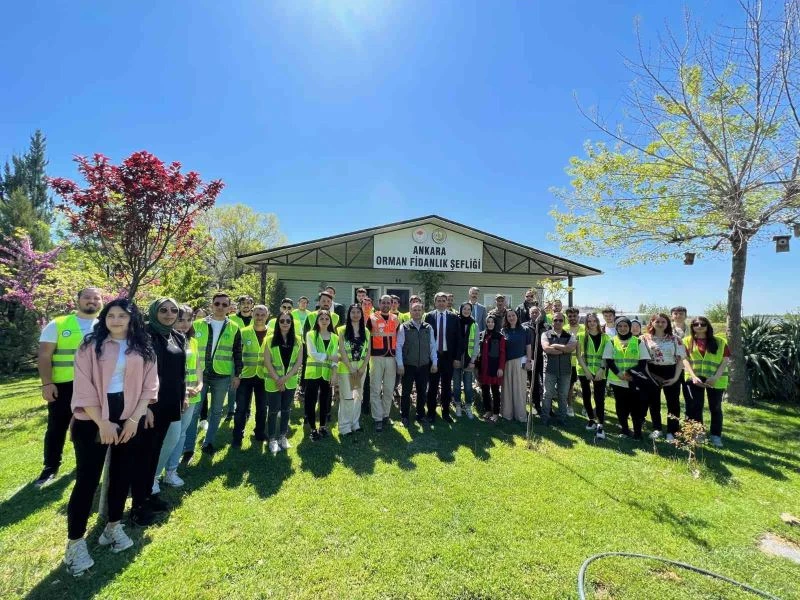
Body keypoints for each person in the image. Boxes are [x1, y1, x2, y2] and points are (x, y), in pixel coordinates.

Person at [64, 299, 158, 576]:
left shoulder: (143, 348)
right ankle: (75, 543)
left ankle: (113, 527)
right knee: (87, 480)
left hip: (129, 417)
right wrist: (102, 422)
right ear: (104, 318)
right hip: (92, 418)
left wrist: (133, 419)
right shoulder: (89, 346)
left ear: (132, 320)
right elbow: (83, 386)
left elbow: (149, 387)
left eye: (122, 316)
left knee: (122, 475)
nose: (116, 320)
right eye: (111, 315)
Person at [35, 287, 103, 488]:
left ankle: (84, 464)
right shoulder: (58, 323)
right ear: (78, 300)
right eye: (87, 297)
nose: (92, 301)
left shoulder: (104, 325)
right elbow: (44, 355)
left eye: (96, 298)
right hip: (63, 386)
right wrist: (47, 383)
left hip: (94, 387)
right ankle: (50, 467)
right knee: (57, 427)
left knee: (90, 427)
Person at [143, 298, 185, 513]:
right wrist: (145, 405)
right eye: (163, 310)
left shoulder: (177, 336)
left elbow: (180, 372)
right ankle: (145, 494)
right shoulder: (144, 335)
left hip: (173, 401)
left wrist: (183, 396)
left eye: (173, 310)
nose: (169, 314)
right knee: (150, 448)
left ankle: (151, 483)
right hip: (151, 404)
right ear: (154, 311)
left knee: (171, 439)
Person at [191, 292, 243, 455]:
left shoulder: (234, 327)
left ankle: (208, 443)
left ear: (229, 308)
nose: (220, 307)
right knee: (194, 412)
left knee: (216, 411)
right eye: (217, 304)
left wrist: (237, 375)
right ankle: (188, 447)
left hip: (221, 375)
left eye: (224, 305)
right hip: (200, 375)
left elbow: (237, 352)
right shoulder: (197, 324)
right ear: (211, 305)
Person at [682, 316, 730, 448]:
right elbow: (684, 359)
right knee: (695, 406)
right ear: (692, 327)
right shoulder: (686, 341)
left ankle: (715, 435)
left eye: (702, 324)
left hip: (715, 379)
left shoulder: (720, 342)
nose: (699, 326)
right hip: (694, 378)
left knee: (715, 408)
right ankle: (698, 433)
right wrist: (693, 376)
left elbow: (725, 360)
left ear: (708, 326)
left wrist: (715, 377)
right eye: (695, 324)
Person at [641, 313, 686, 442]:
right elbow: (643, 360)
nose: (660, 324)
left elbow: (680, 360)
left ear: (667, 323)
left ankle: (672, 431)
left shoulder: (675, 339)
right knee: (653, 402)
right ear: (652, 323)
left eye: (663, 322)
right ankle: (657, 428)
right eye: (657, 321)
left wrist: (676, 378)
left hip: (671, 371)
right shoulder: (644, 338)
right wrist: (649, 376)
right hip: (651, 371)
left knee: (673, 403)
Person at [603, 317, 650, 439]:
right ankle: (624, 430)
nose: (622, 329)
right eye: (620, 326)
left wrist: (631, 375)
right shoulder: (612, 342)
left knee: (636, 407)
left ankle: (638, 432)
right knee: (621, 407)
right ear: (616, 328)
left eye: (625, 326)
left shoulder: (638, 342)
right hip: (618, 380)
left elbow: (643, 362)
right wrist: (619, 374)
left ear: (629, 327)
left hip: (633, 380)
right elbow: (609, 361)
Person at [169, 305, 203, 473]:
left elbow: (197, 367)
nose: (185, 324)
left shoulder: (193, 341)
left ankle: (171, 470)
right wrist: (185, 390)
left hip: (193, 395)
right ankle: (156, 472)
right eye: (181, 320)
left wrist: (200, 385)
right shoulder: (169, 341)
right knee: (170, 435)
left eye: (189, 320)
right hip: (176, 395)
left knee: (182, 433)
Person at [263, 313, 303, 454]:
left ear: (292, 323)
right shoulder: (269, 339)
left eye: (288, 321)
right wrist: (277, 379)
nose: (285, 323)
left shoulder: (298, 341)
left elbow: (299, 362)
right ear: (277, 322)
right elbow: (267, 362)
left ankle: (282, 437)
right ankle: (272, 439)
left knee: (286, 410)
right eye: (282, 321)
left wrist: (285, 379)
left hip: (290, 382)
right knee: (273, 411)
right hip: (273, 381)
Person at [231, 305, 269, 448]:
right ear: (252, 315)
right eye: (257, 314)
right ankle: (237, 436)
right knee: (241, 409)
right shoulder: (243, 332)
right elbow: (237, 355)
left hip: (264, 376)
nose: (259, 317)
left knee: (261, 408)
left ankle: (259, 433)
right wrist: (237, 375)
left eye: (262, 315)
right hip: (245, 376)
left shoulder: (271, 333)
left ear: (267, 316)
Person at [396, 301, 438, 427]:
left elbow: (432, 346)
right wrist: (400, 364)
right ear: (410, 311)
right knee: (406, 392)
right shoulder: (405, 327)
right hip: (408, 365)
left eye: (419, 310)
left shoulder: (428, 328)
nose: (417, 312)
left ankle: (420, 415)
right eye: (414, 310)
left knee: (422, 392)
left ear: (423, 312)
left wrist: (434, 363)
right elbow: (398, 346)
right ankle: (404, 416)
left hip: (424, 365)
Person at [424, 292, 463, 423]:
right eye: (439, 300)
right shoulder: (429, 316)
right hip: (433, 356)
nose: (441, 303)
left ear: (447, 303)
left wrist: (457, 358)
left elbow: (459, 339)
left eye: (443, 300)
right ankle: (431, 413)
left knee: (446, 386)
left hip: (448, 357)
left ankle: (446, 413)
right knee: (433, 386)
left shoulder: (454, 317)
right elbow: (425, 338)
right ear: (435, 303)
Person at [304, 310, 338, 440]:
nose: (324, 321)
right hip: (312, 374)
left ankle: (323, 427)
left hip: (327, 374)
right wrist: (329, 356)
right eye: (321, 319)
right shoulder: (311, 334)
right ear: (317, 321)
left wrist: (334, 374)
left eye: (327, 319)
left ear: (330, 321)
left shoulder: (334, 337)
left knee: (325, 401)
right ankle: (313, 428)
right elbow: (312, 353)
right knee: (310, 401)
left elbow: (335, 359)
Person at [337, 304, 370, 436]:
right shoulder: (342, 330)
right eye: (353, 312)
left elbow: (368, 351)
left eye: (358, 312)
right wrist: (350, 368)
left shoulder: (366, 331)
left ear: (361, 315)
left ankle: (354, 423)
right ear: (349, 314)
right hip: (346, 368)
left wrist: (362, 368)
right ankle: (344, 426)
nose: (355, 315)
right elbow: (342, 350)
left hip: (360, 369)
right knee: (347, 397)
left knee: (358, 396)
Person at [367, 295, 399, 430]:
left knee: (388, 388)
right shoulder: (372, 318)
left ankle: (386, 415)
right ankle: (377, 418)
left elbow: (399, 337)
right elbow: (366, 337)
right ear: (379, 303)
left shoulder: (396, 318)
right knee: (375, 388)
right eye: (383, 302)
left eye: (388, 303)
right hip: (376, 357)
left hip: (391, 357)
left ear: (392, 304)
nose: (386, 305)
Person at [575, 313, 609, 439]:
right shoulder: (581, 335)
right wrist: (587, 371)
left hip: (600, 371)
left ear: (598, 322)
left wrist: (601, 369)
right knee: (586, 395)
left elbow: (607, 356)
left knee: (599, 398)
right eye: (589, 321)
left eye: (594, 321)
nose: (592, 323)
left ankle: (600, 424)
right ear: (586, 323)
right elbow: (579, 355)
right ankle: (591, 419)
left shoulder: (605, 337)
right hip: (584, 370)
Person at [540, 312, 576, 426]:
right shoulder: (546, 334)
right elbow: (546, 348)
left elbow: (571, 348)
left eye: (560, 320)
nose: (558, 322)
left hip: (566, 371)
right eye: (556, 320)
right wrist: (563, 350)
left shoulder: (570, 335)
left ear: (564, 322)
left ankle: (562, 418)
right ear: (552, 321)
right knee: (547, 395)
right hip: (550, 370)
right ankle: (545, 418)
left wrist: (555, 346)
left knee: (563, 395)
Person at [501, 309, 531, 423]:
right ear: (506, 318)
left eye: (513, 315)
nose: (511, 318)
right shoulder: (504, 331)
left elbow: (528, 346)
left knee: (519, 389)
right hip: (507, 363)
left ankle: (520, 415)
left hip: (521, 362)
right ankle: (507, 414)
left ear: (517, 316)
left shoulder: (525, 330)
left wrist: (529, 361)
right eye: (509, 316)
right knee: (507, 389)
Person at [452, 302, 479, 419]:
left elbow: (477, 344)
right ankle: (458, 405)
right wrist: (454, 358)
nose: (466, 311)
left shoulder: (474, 324)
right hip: (457, 358)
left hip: (468, 358)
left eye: (469, 309)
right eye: (464, 309)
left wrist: (473, 361)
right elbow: (451, 341)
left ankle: (468, 406)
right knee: (457, 385)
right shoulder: (455, 322)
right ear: (461, 309)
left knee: (468, 386)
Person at [477, 314, 506, 422]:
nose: (490, 324)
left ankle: (496, 413)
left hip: (494, 367)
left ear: (495, 323)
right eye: (488, 322)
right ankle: (488, 410)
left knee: (495, 391)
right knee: (484, 390)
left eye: (492, 322)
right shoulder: (482, 335)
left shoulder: (500, 336)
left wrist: (501, 368)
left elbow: (502, 354)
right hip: (483, 367)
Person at [522, 305, 548, 416]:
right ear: (529, 314)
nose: (534, 314)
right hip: (531, 358)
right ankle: (537, 405)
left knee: (546, 383)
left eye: (536, 312)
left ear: (540, 314)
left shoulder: (546, 327)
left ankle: (548, 407)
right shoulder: (525, 326)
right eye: (532, 313)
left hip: (543, 358)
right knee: (534, 383)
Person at [564, 307, 585, 417]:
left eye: (574, 316)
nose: (572, 318)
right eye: (570, 316)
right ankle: (570, 406)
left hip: (582, 363)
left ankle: (586, 407)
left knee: (584, 386)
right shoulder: (564, 329)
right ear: (567, 317)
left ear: (578, 316)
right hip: (569, 363)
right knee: (570, 386)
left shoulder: (584, 329)